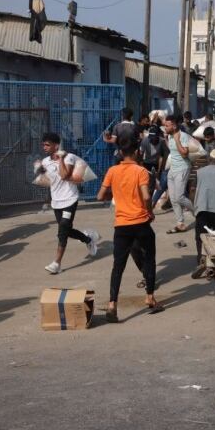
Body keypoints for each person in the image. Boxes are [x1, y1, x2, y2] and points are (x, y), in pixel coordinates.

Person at [97, 137, 162, 322]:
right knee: (149, 258)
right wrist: (150, 212)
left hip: (122, 225)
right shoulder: (141, 171)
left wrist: (117, 192)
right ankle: (150, 297)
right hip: (141, 223)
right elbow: (146, 195)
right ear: (135, 152)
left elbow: (100, 195)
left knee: (118, 265)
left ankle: (112, 305)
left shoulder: (112, 171)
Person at [39, 133, 99, 274]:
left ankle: (57, 263)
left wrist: (60, 159)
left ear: (56, 145)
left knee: (62, 231)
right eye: (43, 145)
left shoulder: (69, 157)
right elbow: (46, 179)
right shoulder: (45, 161)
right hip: (56, 202)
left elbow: (65, 175)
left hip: (70, 199)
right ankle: (88, 239)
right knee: (66, 230)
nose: (44, 147)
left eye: (47, 144)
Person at [163, 114, 195, 233]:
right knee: (173, 199)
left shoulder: (183, 136)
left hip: (182, 169)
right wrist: (167, 139)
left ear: (174, 126)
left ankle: (197, 212)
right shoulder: (170, 136)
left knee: (180, 197)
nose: (165, 127)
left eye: (167, 125)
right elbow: (172, 149)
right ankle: (180, 223)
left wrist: (177, 140)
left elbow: (184, 154)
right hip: (172, 170)